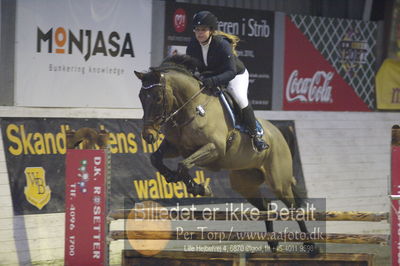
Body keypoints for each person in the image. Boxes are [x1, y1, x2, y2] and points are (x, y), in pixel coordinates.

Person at [186, 10, 269, 151]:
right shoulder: (192, 45)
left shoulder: (222, 44)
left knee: (239, 98)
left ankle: (256, 137)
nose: (199, 33)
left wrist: (212, 81)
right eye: (197, 29)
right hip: (212, 75)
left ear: (211, 31)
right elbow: (189, 68)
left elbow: (230, 72)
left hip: (235, 75)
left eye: (203, 30)